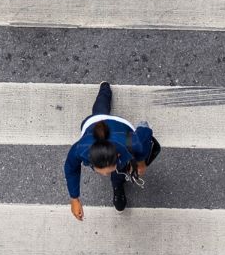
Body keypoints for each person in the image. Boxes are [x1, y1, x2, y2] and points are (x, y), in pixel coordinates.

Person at [64, 81, 161, 219]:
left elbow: (145, 132)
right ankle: (104, 88)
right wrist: (74, 198)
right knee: (100, 109)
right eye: (102, 170)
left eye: (108, 171)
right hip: (95, 122)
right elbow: (70, 168)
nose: (104, 175)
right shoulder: (80, 149)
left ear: (119, 155)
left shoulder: (132, 143)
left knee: (119, 173)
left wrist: (140, 161)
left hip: (120, 127)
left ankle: (118, 186)